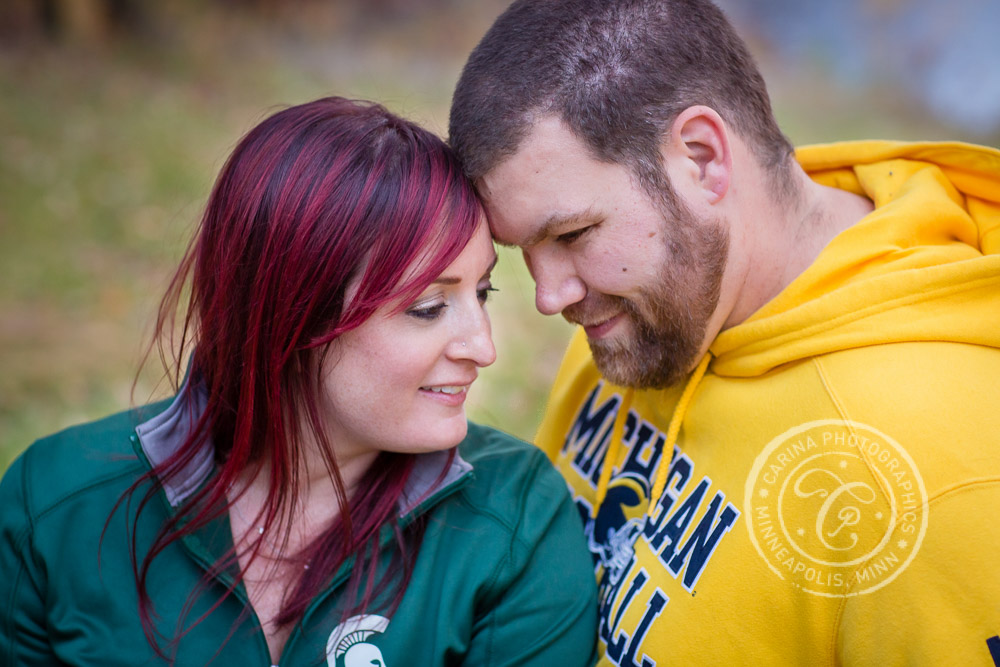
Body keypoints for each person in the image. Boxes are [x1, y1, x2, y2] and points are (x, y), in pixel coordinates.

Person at [449, 0, 1000, 664]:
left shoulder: (940, 478)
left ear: (704, 158)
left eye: (571, 234)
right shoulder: (651, 310)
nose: (550, 296)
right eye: (525, 253)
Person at [0, 97, 598, 666]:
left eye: (483, 293)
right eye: (427, 306)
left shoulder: (512, 519)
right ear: (290, 311)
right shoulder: (55, 506)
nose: (484, 348)